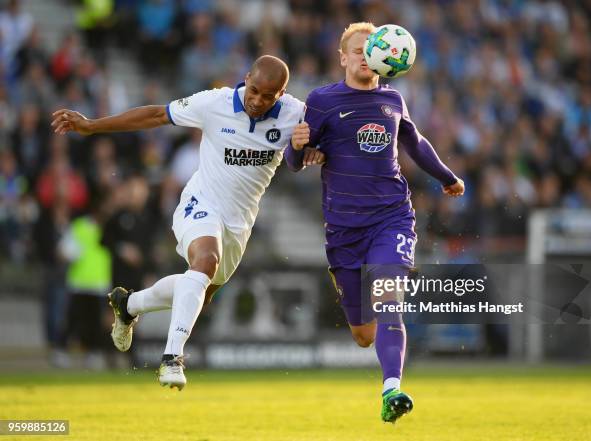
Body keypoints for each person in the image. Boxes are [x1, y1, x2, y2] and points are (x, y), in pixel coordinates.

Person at [51, 55, 325, 390]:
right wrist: (92, 125)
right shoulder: (214, 102)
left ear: (280, 95)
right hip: (200, 202)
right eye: (254, 90)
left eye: (268, 96)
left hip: (239, 221)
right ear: (246, 77)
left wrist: (314, 150)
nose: (257, 100)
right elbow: (155, 114)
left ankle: (129, 304)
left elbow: (316, 146)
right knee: (205, 261)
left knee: (199, 291)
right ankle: (172, 358)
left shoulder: (295, 114)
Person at [285, 23, 465, 423]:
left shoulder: (393, 99)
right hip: (343, 229)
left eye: (374, 48)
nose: (366, 54)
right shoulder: (322, 101)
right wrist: (298, 148)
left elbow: (415, 143)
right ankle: (383, 366)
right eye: (359, 49)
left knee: (389, 300)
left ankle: (391, 390)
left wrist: (447, 177)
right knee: (363, 334)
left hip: (392, 218)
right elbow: (295, 161)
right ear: (343, 57)